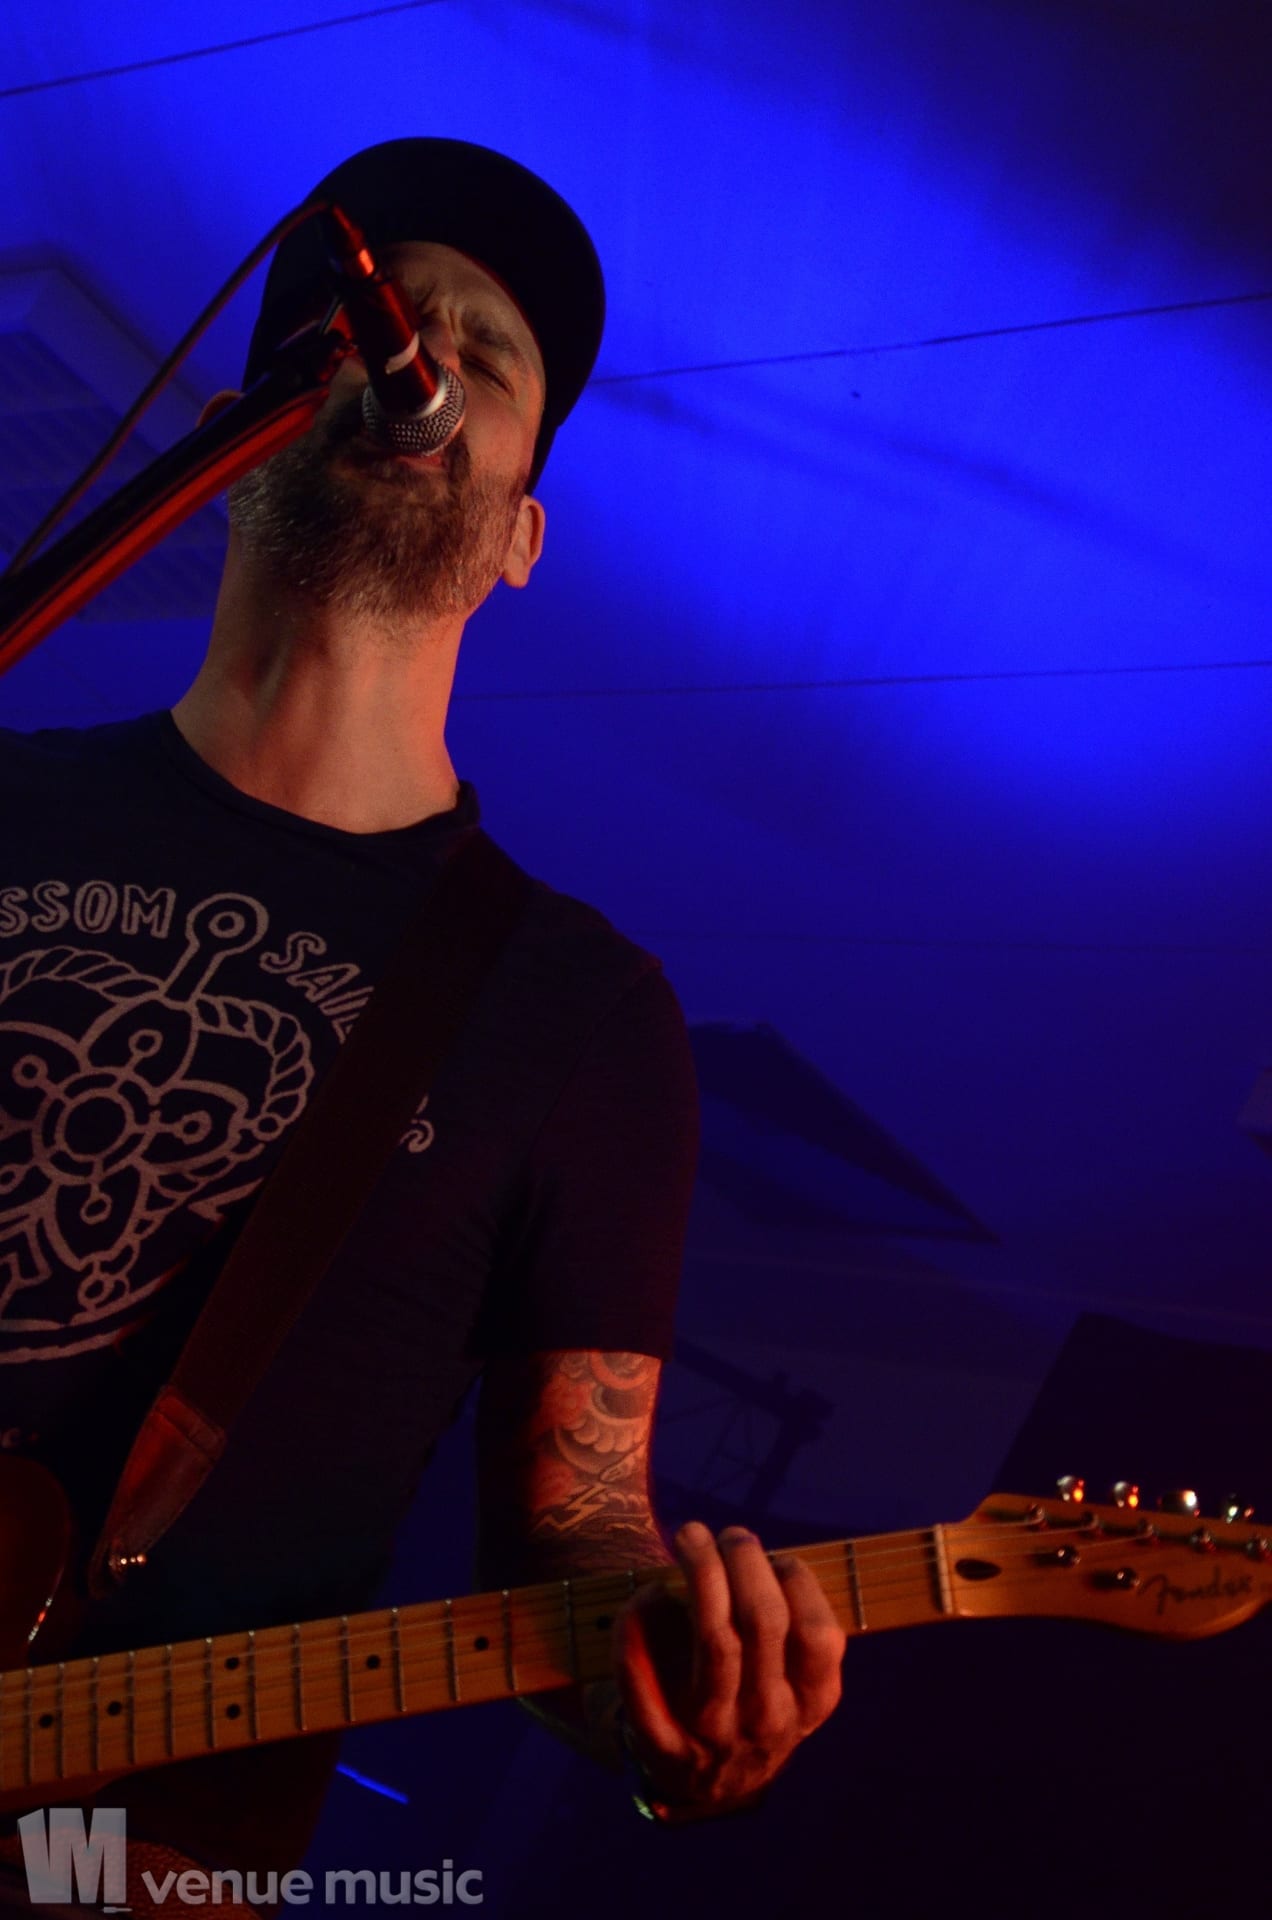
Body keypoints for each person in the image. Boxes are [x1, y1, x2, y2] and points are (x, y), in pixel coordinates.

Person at [0, 138, 845, 1906]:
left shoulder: (577, 1011)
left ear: (523, 533)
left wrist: (683, 1705)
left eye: (487, 350)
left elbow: (575, 1532)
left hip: (119, 1849)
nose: (422, 347)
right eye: (369, 321)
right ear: (235, 444)